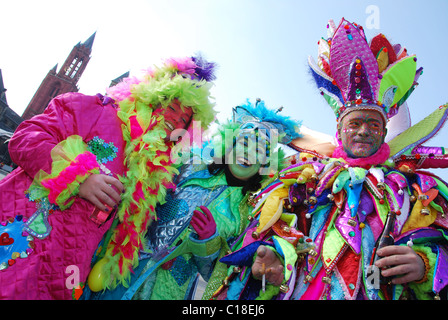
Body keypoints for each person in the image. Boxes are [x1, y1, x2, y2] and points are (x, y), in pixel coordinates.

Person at [215, 18, 448, 300]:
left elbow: (440, 240)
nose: (364, 131)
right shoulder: (304, 180)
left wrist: (425, 264)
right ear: (339, 130)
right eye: (355, 123)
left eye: (374, 125)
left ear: (385, 132)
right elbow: (275, 230)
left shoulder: (413, 187)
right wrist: (276, 260)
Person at [0, 55, 217, 299]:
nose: (174, 120)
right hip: (17, 243)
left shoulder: (155, 174)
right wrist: (80, 178)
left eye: (183, 120)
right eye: (173, 107)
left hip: (63, 275)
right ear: (154, 96)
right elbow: (26, 138)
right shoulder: (98, 111)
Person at [80, 98, 301, 300]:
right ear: (229, 144)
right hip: (123, 266)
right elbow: (141, 193)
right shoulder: (189, 166)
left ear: (266, 164)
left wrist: (207, 242)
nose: (248, 153)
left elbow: (220, 276)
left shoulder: (249, 213)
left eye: (259, 151)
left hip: (168, 291)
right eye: (243, 144)